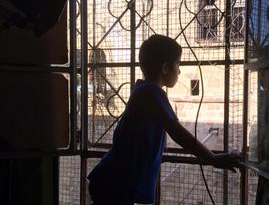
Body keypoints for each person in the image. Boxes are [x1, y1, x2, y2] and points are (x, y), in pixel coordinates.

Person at [87, 34, 241, 205]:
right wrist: (212, 158)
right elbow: (178, 133)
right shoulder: (151, 93)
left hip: (114, 182)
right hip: (115, 185)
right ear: (166, 68)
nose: (180, 71)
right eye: (178, 64)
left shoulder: (143, 90)